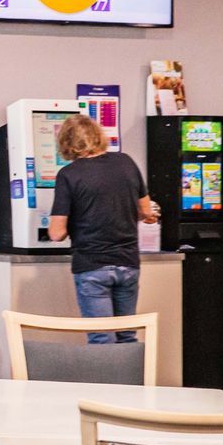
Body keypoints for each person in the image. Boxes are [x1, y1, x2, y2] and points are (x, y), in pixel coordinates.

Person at [48, 113, 157, 344]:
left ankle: (106, 371)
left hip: (92, 266)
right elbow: (147, 212)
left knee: (102, 339)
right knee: (127, 336)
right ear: (98, 136)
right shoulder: (126, 162)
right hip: (128, 263)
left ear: (67, 143)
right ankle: (132, 370)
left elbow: (56, 233)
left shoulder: (68, 174)